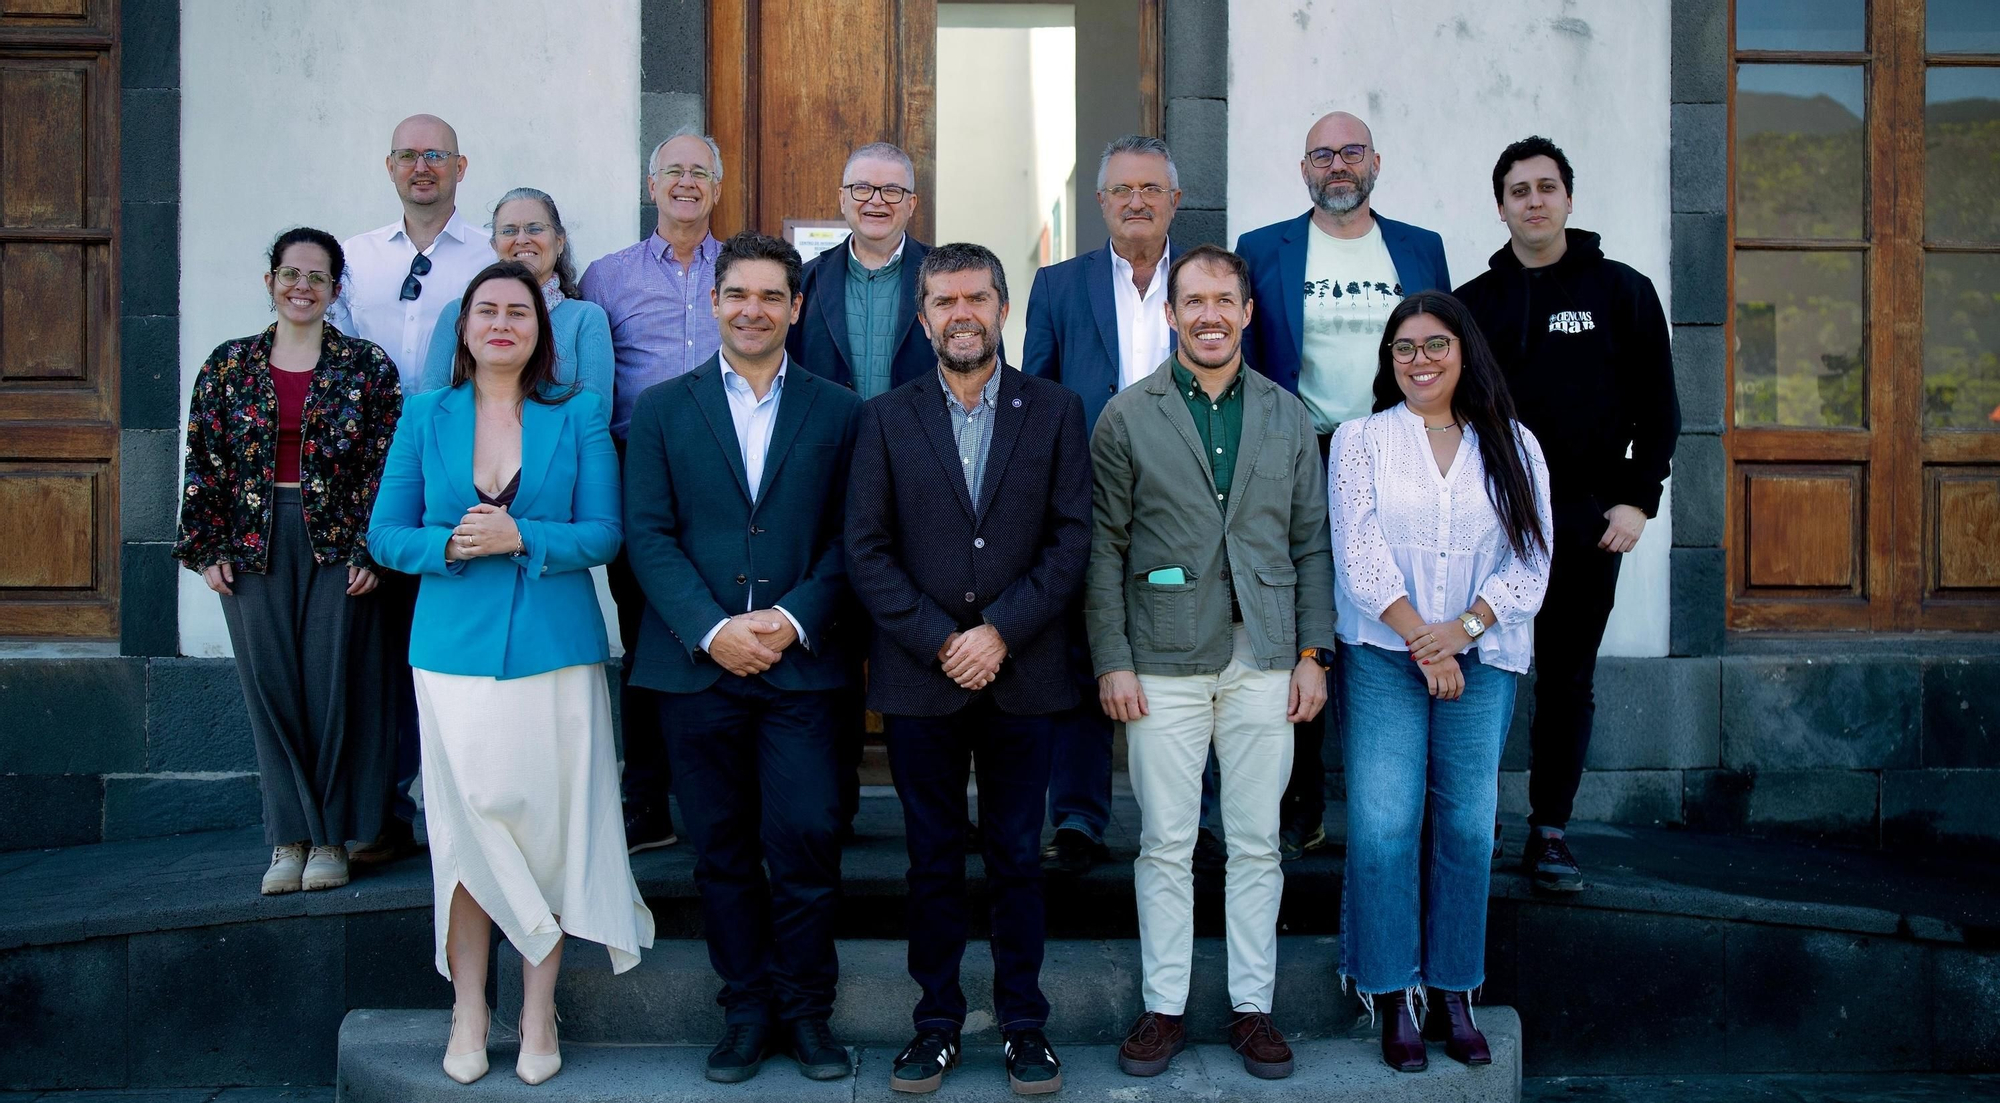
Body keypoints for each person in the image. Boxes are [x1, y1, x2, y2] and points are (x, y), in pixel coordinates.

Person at [367, 261, 654, 1088]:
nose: (501, 322)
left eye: (518, 311)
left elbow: (605, 533)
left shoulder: (581, 414)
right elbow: (386, 535)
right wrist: (449, 546)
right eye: (485, 310)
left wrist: (523, 535)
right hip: (451, 655)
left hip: (556, 656)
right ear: (463, 328)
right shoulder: (425, 416)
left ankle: (537, 1010)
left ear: (541, 330)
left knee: (548, 836)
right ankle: (467, 1007)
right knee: (465, 835)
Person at [846, 243, 1090, 1096]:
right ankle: (935, 1023)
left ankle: (1025, 1024)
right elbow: (867, 551)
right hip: (921, 680)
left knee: (1019, 855)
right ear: (923, 318)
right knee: (932, 859)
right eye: (944, 300)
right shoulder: (884, 417)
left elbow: (1071, 540)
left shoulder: (1055, 409)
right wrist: (943, 638)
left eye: (976, 298)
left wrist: (1001, 632)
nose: (961, 314)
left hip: (1025, 675)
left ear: (1002, 308)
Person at [623, 232, 863, 1085]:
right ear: (716, 302)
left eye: (772, 296)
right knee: (720, 847)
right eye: (738, 294)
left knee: (803, 837)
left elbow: (853, 539)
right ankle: (745, 1011)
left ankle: (806, 1012)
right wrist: (713, 628)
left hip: (804, 665)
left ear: (797, 307)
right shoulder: (659, 408)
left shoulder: (841, 410)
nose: (754, 309)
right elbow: (645, 536)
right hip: (696, 666)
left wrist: (792, 619)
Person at [1089, 244, 1332, 1082]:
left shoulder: (1286, 413)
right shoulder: (1126, 415)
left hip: (1267, 653)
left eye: (1224, 300)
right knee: (1164, 840)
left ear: (1247, 311)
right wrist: (1111, 658)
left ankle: (1251, 1007)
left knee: (1259, 841)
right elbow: (1104, 548)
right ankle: (1164, 1008)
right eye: (1193, 301)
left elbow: (1312, 543)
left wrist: (1312, 652)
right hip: (1161, 655)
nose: (1209, 315)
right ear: (1171, 313)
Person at [1331, 291, 1552, 1072]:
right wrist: (1424, 641)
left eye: (1435, 345)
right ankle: (1391, 994)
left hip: (1482, 657)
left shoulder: (1515, 445)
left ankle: (1456, 990)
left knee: (1465, 826)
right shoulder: (1360, 440)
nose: (1420, 360)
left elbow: (1531, 560)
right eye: (1405, 348)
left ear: (1464, 353)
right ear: (1389, 362)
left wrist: (1461, 633)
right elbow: (1358, 554)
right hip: (1387, 654)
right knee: (1386, 822)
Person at [1454, 136, 1679, 893]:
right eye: (1519, 190)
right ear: (1502, 206)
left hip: (1586, 524)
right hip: (1489, 524)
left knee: (1567, 678)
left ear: (1569, 198)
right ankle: (1473, 817)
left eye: (1547, 186)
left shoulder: (1621, 290)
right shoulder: (1474, 304)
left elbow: (1660, 406)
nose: (1535, 200)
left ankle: (1549, 830)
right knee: (1479, 668)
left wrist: (1638, 498)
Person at [1235, 111, 1453, 860]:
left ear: (1376, 162)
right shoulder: (1263, 249)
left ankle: (1397, 803)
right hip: (1304, 449)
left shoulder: (1420, 248)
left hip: (1400, 447)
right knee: (1309, 612)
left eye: (1351, 152)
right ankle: (1303, 802)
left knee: (1401, 604)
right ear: (1304, 168)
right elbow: (1253, 360)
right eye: (1322, 153)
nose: (1338, 165)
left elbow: (1443, 349)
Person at [174, 227, 402, 896]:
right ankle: (287, 837)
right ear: (270, 280)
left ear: (336, 290)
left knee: (333, 689)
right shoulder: (228, 366)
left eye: (318, 276)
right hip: (251, 543)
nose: (302, 286)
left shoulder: (367, 368)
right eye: (290, 273)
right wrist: (205, 545)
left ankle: (330, 836)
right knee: (271, 690)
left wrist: (372, 549)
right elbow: (202, 459)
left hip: (337, 543)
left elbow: (386, 468)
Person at [1022, 134, 1187, 877]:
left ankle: (1191, 818)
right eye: (1121, 190)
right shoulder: (1058, 286)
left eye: (1150, 189)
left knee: (1188, 653)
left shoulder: (1210, 280)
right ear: (1100, 204)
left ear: (1175, 200)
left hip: (1190, 504)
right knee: (1082, 654)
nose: (1136, 202)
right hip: (1087, 498)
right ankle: (1081, 816)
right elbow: (1036, 400)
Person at [331, 114, 492, 869]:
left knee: (446, 642)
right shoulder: (354, 260)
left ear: (461, 166)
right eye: (407, 156)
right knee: (375, 648)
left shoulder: (491, 258)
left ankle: (450, 805)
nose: (421, 167)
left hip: (458, 471)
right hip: (369, 476)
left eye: (435, 155)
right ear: (388, 165)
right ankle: (382, 807)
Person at [580, 127, 729, 856]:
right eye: (672, 171)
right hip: (638, 467)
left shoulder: (743, 267)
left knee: (728, 616)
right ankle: (646, 798)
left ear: (718, 188)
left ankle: (727, 796)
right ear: (651, 185)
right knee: (645, 634)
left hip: (736, 473)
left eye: (699, 172)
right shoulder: (605, 278)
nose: (685, 182)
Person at [786, 140, 937, 839]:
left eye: (892, 190)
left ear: (912, 202)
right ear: (843, 198)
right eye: (863, 189)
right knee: (832, 656)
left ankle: (927, 811)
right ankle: (833, 805)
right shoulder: (806, 284)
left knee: (917, 652)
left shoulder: (943, 278)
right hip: (828, 494)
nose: (877, 201)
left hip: (923, 493)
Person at [418, 188, 613, 409]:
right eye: (509, 231)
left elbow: (595, 413)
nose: (522, 239)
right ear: (494, 245)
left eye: (535, 229)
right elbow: (429, 406)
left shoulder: (586, 318)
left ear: (559, 241)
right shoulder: (458, 312)